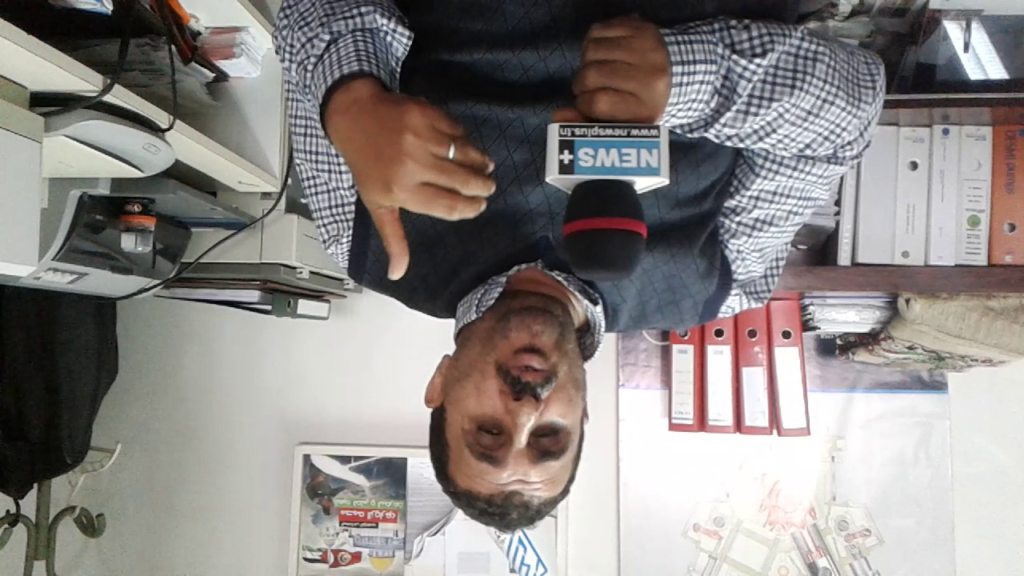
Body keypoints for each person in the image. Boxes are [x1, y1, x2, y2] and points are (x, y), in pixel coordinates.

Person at [274, 0, 885, 532]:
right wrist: (690, 79)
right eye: (550, 437)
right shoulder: (719, 285)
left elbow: (308, 10)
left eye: (488, 432)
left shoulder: (362, 237)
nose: (525, 408)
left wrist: (351, 101)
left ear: (440, 386)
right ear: (584, 410)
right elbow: (851, 108)